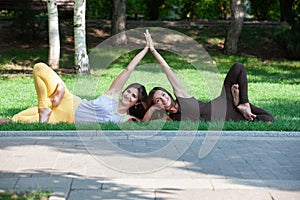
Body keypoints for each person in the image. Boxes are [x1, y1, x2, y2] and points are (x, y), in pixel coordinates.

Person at [12, 32, 151, 124]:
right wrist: (145, 49)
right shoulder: (112, 95)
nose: (128, 95)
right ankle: (45, 106)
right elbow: (128, 69)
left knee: (16, 119)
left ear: (137, 103)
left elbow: (150, 118)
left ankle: (48, 104)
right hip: (68, 99)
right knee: (39, 68)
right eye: (128, 91)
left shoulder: (124, 119)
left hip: (65, 117)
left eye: (133, 96)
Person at [143, 31, 274, 122]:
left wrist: (153, 50)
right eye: (158, 100)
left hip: (223, 102)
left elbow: (168, 70)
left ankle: (243, 103)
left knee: (238, 67)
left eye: (164, 95)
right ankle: (239, 104)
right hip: (229, 117)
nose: (163, 99)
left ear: (170, 94)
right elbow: (144, 122)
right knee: (268, 118)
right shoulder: (169, 118)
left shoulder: (181, 96)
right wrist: (154, 107)